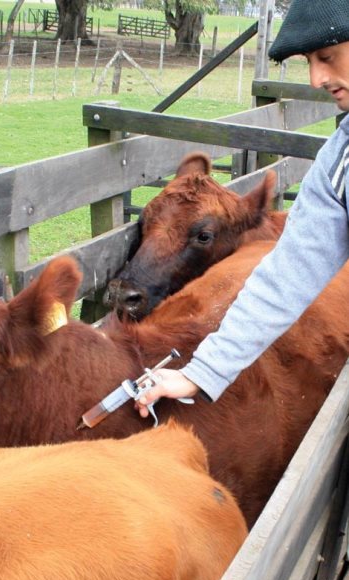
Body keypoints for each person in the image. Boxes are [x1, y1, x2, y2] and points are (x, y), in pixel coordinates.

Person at [137, 0, 349, 418]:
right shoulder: (338, 162)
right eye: (309, 61)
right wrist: (203, 370)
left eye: (327, 57)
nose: (316, 78)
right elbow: (290, 270)